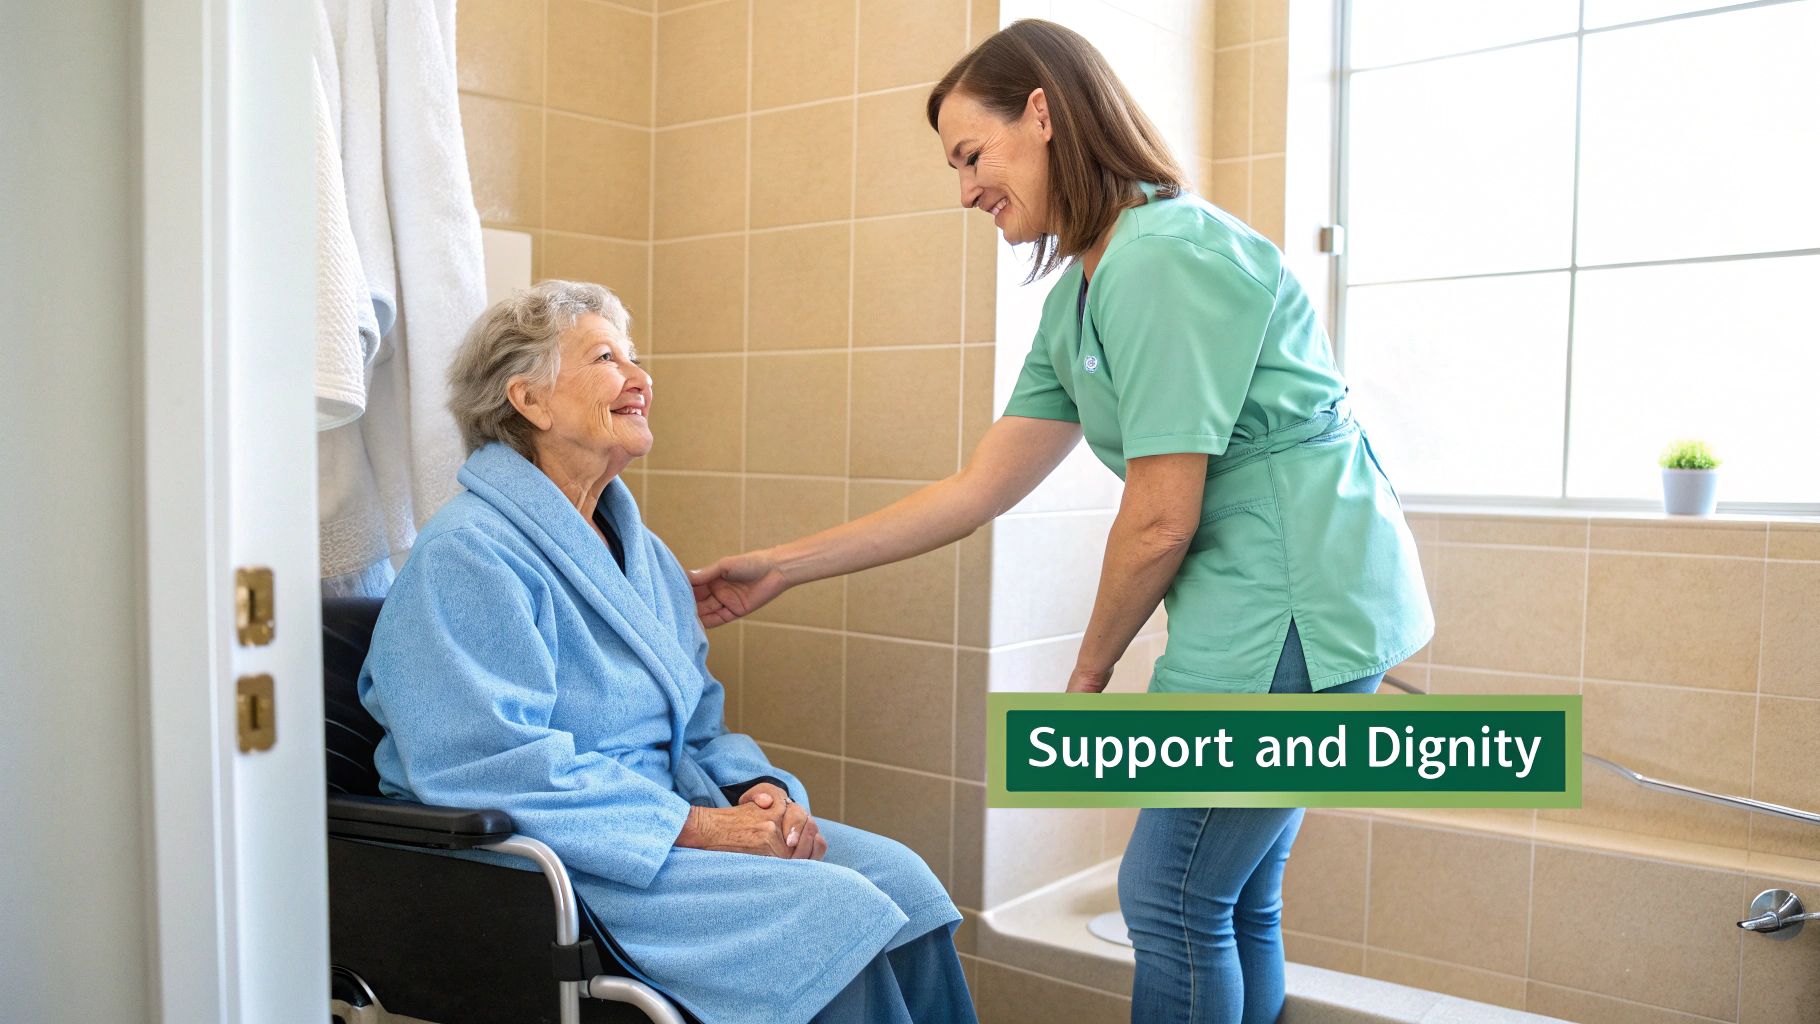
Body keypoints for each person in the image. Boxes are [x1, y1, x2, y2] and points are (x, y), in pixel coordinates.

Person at [688, 19, 1433, 1024]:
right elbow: (975, 490)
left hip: (1294, 609)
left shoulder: (1160, 257)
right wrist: (782, 565)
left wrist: (1085, 678)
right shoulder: (1083, 288)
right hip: (1272, 606)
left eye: (971, 155)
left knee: (1169, 900)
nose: (964, 191)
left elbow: (1160, 518)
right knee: (1228, 898)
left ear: (1040, 114)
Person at [358, 280, 976, 1024]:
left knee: (903, 883)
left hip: (669, 821)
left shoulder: (641, 551)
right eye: (606, 358)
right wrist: (705, 829)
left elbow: (700, 720)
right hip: (568, 856)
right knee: (832, 914)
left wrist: (759, 794)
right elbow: (488, 764)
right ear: (530, 401)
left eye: (635, 357)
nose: (640, 378)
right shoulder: (469, 553)